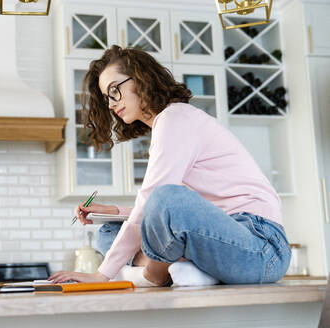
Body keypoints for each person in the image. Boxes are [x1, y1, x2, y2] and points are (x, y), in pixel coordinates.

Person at [49, 45, 291, 286]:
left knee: (165, 198)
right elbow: (171, 211)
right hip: (219, 238)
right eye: (106, 98)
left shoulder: (175, 118)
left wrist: (102, 275)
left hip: (261, 247)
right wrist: (115, 212)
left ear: (142, 79)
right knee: (108, 232)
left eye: (115, 91)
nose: (111, 104)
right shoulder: (166, 124)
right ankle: (190, 271)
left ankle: (154, 274)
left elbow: (159, 201)